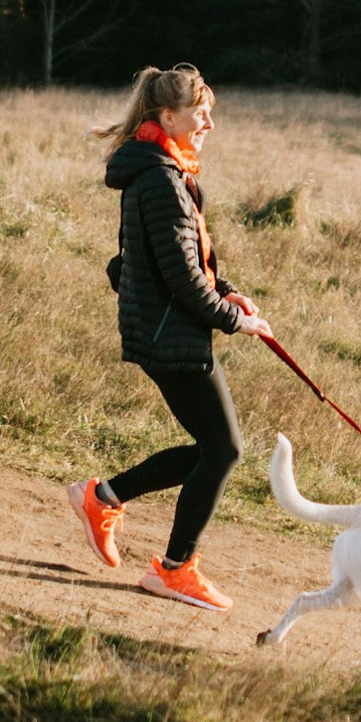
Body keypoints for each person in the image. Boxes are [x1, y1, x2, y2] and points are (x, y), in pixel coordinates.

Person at [70, 64, 261, 610]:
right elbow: (178, 276)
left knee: (213, 448)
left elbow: (178, 259)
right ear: (167, 116)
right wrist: (232, 318)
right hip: (168, 331)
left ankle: (102, 498)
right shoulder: (158, 177)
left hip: (166, 326)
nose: (208, 124)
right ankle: (175, 570)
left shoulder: (165, 170)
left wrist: (228, 291)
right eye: (200, 113)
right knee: (222, 449)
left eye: (209, 112)